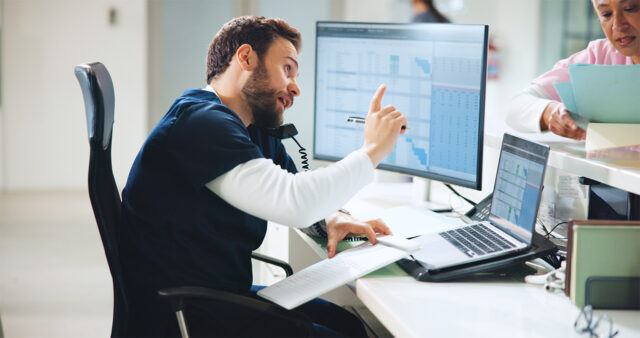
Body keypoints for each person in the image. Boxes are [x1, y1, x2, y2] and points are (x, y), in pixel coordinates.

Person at [119, 16, 407, 337]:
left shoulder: (251, 127)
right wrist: (373, 150)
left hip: (214, 295)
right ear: (246, 58)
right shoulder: (200, 123)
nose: (295, 86)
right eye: (287, 69)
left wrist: (330, 218)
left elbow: (294, 188)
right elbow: (294, 202)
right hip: (185, 314)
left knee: (350, 325)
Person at [507, 0, 640, 140]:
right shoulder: (599, 57)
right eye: (606, 14)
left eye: (630, 9)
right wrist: (551, 113)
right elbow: (515, 107)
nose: (618, 25)